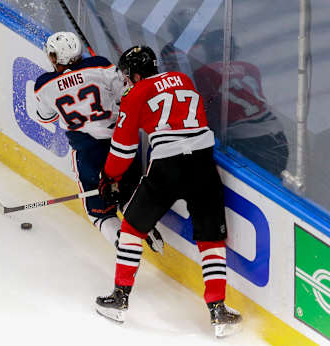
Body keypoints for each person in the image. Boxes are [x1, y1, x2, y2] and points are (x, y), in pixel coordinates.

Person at [96, 46, 242, 338]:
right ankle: (219, 311)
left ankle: (119, 299)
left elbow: (124, 148)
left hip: (167, 165)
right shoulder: (182, 79)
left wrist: (109, 177)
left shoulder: (134, 94)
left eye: (127, 77)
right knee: (211, 238)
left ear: (135, 74)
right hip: (203, 163)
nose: (126, 82)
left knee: (131, 229)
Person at [34, 32, 164, 253]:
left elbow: (44, 116)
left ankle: (122, 244)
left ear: (57, 57)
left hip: (87, 152)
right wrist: (103, 75)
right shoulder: (100, 65)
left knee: (99, 212)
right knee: (128, 192)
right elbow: (126, 95)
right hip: (120, 144)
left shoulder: (44, 85)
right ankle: (146, 227)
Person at [161, 29, 289, 177]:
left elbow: (205, 116)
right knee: (272, 178)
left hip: (249, 142)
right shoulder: (250, 68)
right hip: (279, 137)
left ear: (207, 50)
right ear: (235, 51)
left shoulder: (205, 73)